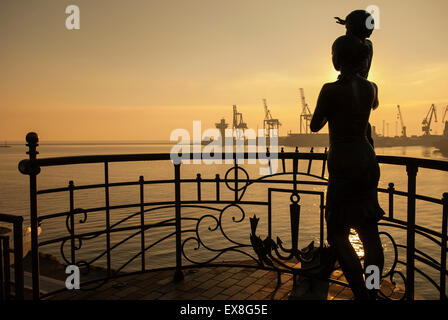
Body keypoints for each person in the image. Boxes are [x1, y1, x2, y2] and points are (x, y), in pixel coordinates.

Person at [310, 35, 385, 300]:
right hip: (367, 159)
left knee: (338, 231)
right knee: (369, 233)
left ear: (338, 59)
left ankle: (360, 293)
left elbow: (315, 124)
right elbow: (371, 105)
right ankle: (373, 289)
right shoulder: (371, 88)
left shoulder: (330, 89)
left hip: (343, 160)